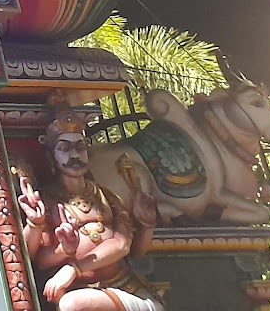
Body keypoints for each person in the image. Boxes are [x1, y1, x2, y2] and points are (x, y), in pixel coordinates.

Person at [16, 101, 163, 311]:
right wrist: (62, 249)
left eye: (80, 147)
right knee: (71, 304)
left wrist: (147, 226)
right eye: (65, 148)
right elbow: (39, 261)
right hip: (78, 290)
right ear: (51, 157)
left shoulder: (107, 196)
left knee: (72, 304)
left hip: (125, 287)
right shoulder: (47, 200)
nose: (74, 155)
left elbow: (124, 246)